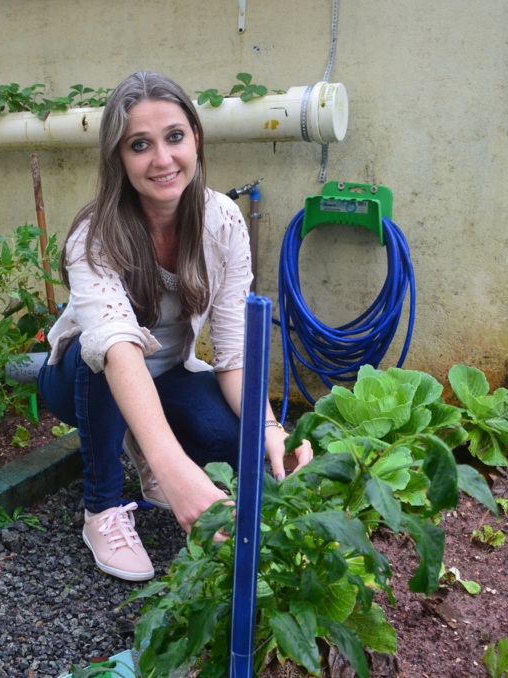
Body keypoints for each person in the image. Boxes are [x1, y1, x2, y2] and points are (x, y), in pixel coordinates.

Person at [37, 71, 313, 582]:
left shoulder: (223, 222)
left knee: (234, 445)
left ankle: (142, 442)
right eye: (140, 145)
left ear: (196, 139)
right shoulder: (92, 236)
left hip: (167, 374)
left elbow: (232, 357)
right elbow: (117, 350)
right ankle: (102, 508)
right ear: (118, 158)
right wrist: (175, 471)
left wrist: (271, 429)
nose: (162, 159)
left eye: (175, 137)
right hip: (82, 376)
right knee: (104, 354)